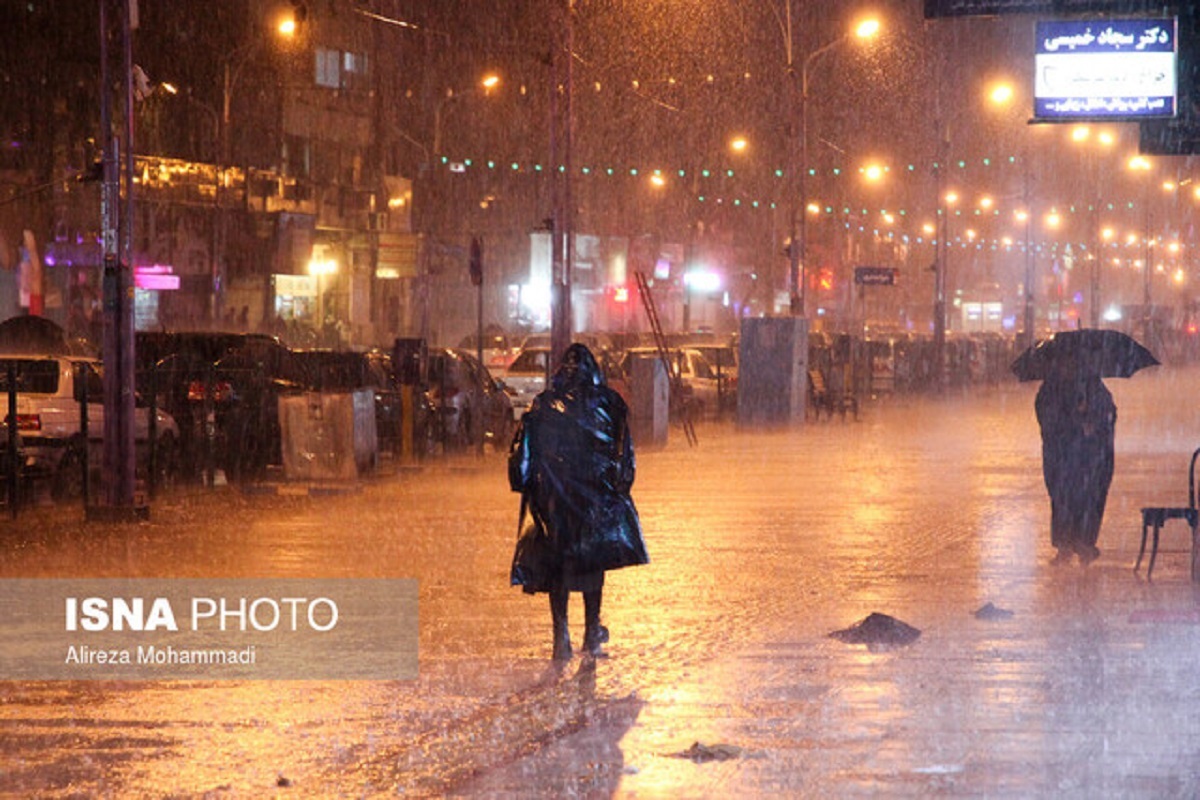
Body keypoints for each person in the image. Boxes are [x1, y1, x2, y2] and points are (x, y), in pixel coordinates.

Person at [509, 343, 649, 659]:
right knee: (592, 566)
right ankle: (591, 635)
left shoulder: (543, 405)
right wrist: (619, 491)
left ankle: (561, 637)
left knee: (558, 566)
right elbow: (624, 456)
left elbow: (522, 455)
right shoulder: (610, 404)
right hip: (594, 504)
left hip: (554, 504)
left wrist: (524, 484)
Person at [1035, 369, 1117, 565]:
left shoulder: (1093, 386)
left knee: (1083, 500)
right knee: (1066, 500)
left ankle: (1081, 544)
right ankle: (1070, 545)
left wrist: (1091, 421)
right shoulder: (1053, 387)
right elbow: (1046, 416)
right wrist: (1075, 419)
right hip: (1067, 456)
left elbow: (1108, 413)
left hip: (1085, 457)